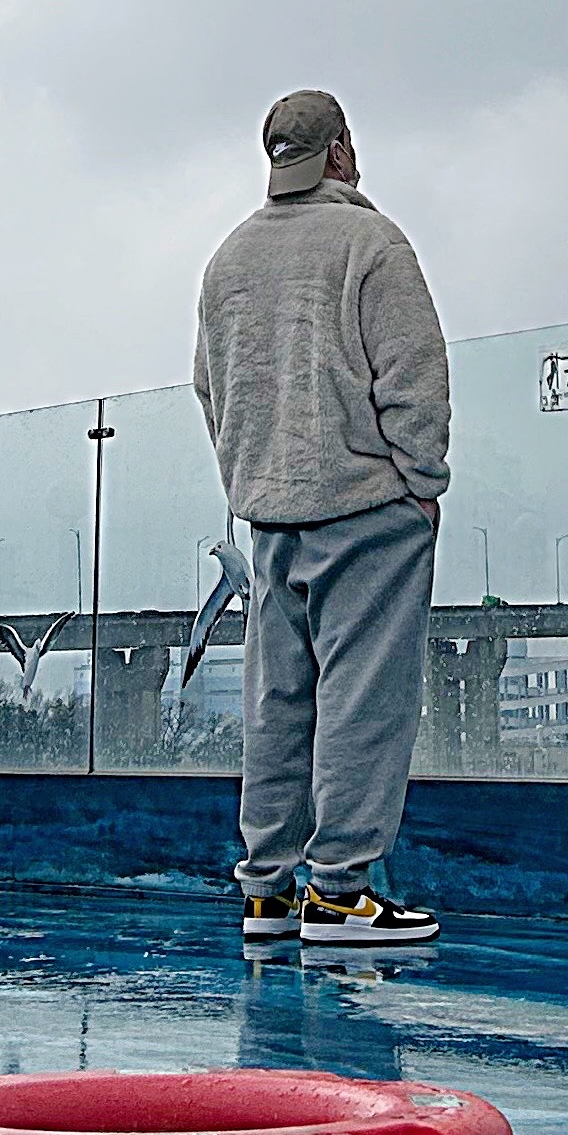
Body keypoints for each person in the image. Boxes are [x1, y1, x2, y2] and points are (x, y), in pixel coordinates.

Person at [194, 89, 450, 948]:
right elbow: (412, 374)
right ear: (341, 149)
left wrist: (246, 473)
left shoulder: (229, 258)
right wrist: (420, 482)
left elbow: (209, 385)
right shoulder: (370, 242)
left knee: (278, 700)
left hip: (269, 513)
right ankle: (339, 891)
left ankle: (265, 891)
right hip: (367, 505)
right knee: (362, 700)